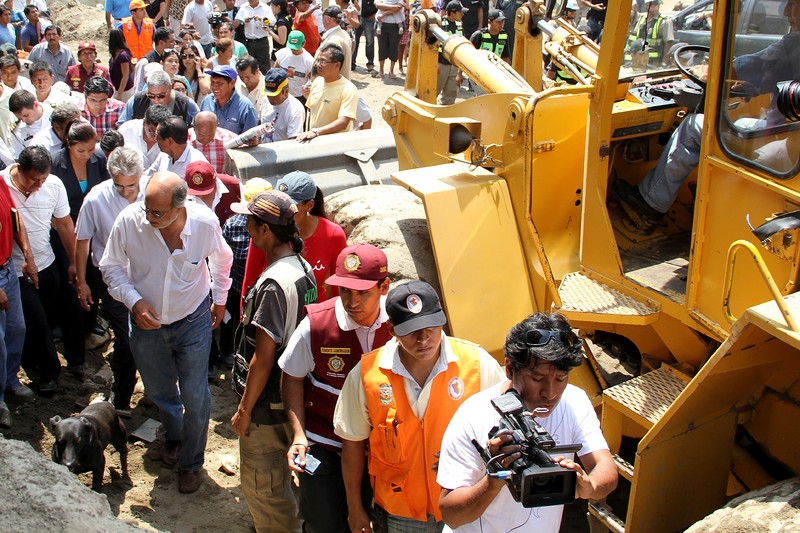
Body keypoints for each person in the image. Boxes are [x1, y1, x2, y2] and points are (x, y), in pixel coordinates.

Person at [613, 0, 800, 232]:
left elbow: (752, 66)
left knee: (692, 126)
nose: (786, 11)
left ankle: (650, 203)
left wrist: (707, 70)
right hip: (787, 137)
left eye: (793, 4)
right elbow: (764, 75)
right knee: (739, 122)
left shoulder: (795, 44)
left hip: (784, 149)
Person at [334, 280, 506, 531]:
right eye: (412, 330)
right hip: (399, 513)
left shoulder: (478, 365)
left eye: (431, 327)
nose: (423, 338)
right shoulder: (367, 374)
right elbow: (352, 442)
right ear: (391, 329)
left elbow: (506, 429)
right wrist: (355, 507)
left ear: (442, 320)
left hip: (466, 506)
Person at [100, 170, 233, 494]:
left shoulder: (203, 223)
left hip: (193, 320)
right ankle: (174, 434)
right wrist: (134, 301)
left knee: (196, 395)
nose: (148, 217)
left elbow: (221, 260)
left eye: (157, 212)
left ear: (180, 206)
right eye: (146, 208)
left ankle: (191, 462)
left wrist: (220, 300)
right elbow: (111, 266)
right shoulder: (130, 222)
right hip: (147, 328)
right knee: (160, 391)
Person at [437, 312, 618, 532]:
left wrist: (589, 486)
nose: (550, 393)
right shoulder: (473, 416)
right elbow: (451, 515)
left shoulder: (575, 401)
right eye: (537, 378)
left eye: (561, 378)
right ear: (510, 368)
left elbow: (605, 469)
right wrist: (494, 479)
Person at [281, 243, 390, 533]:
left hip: (381, 449)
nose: (352, 301)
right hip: (323, 441)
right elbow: (291, 377)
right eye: (344, 291)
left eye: (362, 292)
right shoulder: (316, 325)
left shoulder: (400, 325)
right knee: (322, 522)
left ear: (384, 287)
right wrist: (299, 435)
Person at [229, 189, 315, 533]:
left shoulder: (272, 285)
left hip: (267, 407)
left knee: (265, 490)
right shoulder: (302, 266)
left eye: (250, 220)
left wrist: (245, 409)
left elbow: (262, 359)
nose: (245, 225)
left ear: (264, 229)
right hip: (293, 395)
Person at [4, 146, 79, 395]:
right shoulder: (4, 185)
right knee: (34, 321)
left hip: (47, 264)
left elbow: (65, 225)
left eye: (42, 179)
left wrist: (73, 262)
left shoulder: (53, 185)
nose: (38, 185)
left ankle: (33, 360)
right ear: (20, 170)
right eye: (33, 180)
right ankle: (50, 372)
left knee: (45, 318)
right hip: (15, 272)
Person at [75, 146, 142, 415]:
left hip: (148, 277)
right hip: (112, 280)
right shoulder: (96, 199)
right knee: (127, 338)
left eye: (132, 186)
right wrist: (81, 281)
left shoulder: (154, 191)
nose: (126, 193)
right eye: (119, 186)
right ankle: (122, 394)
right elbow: (83, 241)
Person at [0, 154, 36, 428]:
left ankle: (10, 379)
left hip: (7, 271)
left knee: (17, 329)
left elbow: (16, 220)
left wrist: (27, 254)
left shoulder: (1, 184)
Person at [297, 43, 358, 142]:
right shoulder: (317, 81)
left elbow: (343, 122)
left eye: (323, 61)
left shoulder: (348, 89)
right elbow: (313, 113)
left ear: (337, 65)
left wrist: (316, 132)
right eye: (318, 60)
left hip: (334, 145)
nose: (318, 65)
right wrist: (308, 97)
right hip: (314, 142)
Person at [50, 121, 109, 222]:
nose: (86, 155)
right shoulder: (54, 164)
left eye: (91, 149)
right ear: (69, 144)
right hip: (64, 224)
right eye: (81, 151)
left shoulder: (100, 158)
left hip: (94, 221)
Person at [117, 70, 200, 127]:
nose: (156, 100)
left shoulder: (185, 103)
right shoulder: (136, 101)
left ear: (170, 87)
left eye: (161, 96)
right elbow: (122, 125)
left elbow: (199, 125)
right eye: (151, 96)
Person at [199, 65, 257, 135]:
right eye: (212, 82)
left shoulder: (245, 107)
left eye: (219, 83)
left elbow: (251, 139)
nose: (214, 87)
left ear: (232, 83)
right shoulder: (206, 101)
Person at [183, 159, 240, 226]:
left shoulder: (234, 186)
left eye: (206, 193)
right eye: (196, 194)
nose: (201, 197)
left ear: (215, 179)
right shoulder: (182, 196)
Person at [259, 68, 305, 142]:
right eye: (268, 94)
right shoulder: (265, 100)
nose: (270, 98)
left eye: (274, 95)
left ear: (286, 91)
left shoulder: (295, 109)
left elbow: (293, 142)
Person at [118, 102, 169, 169]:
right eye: (151, 131)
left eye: (159, 133)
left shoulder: (170, 137)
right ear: (144, 123)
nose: (155, 137)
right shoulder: (126, 130)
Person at [624, 0, 674, 66]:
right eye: (651, 4)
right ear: (646, 5)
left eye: (656, 4)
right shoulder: (641, 19)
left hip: (655, 63)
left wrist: (664, 63)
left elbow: (668, 43)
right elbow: (633, 38)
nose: (654, 7)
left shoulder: (664, 22)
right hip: (639, 61)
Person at [274, 30, 314, 105]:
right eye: (291, 47)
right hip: (282, 94)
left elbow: (312, 79)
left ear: (303, 44)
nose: (293, 50)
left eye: (296, 47)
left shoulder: (309, 61)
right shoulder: (282, 53)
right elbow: (274, 71)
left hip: (299, 97)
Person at [437, 1, 466, 105]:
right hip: (441, 65)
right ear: (452, 13)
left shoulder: (460, 25)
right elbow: (433, 46)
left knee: (450, 97)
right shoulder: (439, 24)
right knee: (432, 92)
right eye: (460, 12)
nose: (462, 14)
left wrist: (460, 72)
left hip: (454, 65)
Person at [8, 89, 51, 157]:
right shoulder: (17, 131)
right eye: (20, 118)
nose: (23, 120)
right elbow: (18, 156)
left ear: (36, 105)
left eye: (26, 115)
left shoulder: (54, 113)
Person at [235, 0, 273, 75]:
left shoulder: (265, 8)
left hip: (262, 41)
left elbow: (271, 22)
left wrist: (261, 18)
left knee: (264, 67)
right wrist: (244, 20)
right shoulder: (244, 7)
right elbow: (237, 21)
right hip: (249, 42)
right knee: (249, 66)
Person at [132, 26, 172, 92]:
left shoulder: (171, 58)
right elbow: (139, 87)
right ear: (161, 43)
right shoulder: (145, 62)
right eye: (171, 42)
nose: (174, 44)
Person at [318, 6, 352, 80]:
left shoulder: (333, 40)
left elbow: (328, 67)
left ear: (327, 19)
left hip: (332, 86)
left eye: (322, 18)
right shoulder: (344, 34)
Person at [108, 29, 134, 102]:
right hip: (118, 90)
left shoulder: (123, 55)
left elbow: (125, 76)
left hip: (125, 91)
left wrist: (120, 93)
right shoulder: (115, 55)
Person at [353, 0, 376, 73]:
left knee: (370, 42)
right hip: (356, 17)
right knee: (354, 41)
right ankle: (352, 62)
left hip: (368, 18)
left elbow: (378, 3)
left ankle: (370, 63)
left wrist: (374, 14)